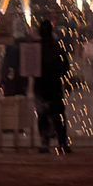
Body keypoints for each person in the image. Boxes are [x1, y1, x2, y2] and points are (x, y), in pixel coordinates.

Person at [34, 16, 70, 154]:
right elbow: (65, 66)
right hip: (54, 85)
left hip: (40, 86)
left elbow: (30, 67)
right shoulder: (57, 47)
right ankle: (62, 142)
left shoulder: (36, 48)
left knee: (43, 115)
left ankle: (45, 142)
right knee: (58, 114)